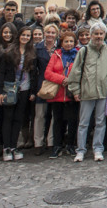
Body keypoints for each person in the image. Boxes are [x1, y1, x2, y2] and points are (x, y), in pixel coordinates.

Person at [66, 22, 107, 162]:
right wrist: (75, 90)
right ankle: (81, 149)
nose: (98, 36)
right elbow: (76, 71)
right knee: (83, 123)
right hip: (87, 91)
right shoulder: (84, 51)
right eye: (96, 34)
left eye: (101, 34)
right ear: (91, 35)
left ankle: (98, 148)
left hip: (103, 91)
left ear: (105, 35)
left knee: (101, 122)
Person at [0, 26, 38, 161]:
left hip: (25, 89)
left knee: (18, 118)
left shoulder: (32, 52)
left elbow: (33, 74)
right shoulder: (9, 52)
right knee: (8, 118)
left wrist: (32, 91)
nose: (25, 37)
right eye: (23, 35)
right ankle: (6, 147)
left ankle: (13, 146)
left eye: (28, 36)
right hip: (9, 88)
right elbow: (1, 73)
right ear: (18, 36)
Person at [44, 31, 79, 158]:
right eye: (66, 41)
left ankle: (70, 145)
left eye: (71, 41)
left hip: (73, 92)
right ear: (61, 43)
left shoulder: (79, 54)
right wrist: (61, 79)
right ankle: (57, 146)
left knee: (73, 121)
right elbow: (48, 73)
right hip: (58, 93)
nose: (68, 44)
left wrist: (70, 80)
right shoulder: (56, 54)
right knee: (58, 121)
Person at [31, 24, 60, 155]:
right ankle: (38, 142)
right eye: (48, 32)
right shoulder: (37, 48)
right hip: (41, 84)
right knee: (39, 115)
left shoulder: (59, 49)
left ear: (56, 34)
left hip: (55, 84)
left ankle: (51, 141)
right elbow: (33, 70)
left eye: (53, 33)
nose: (50, 35)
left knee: (54, 115)